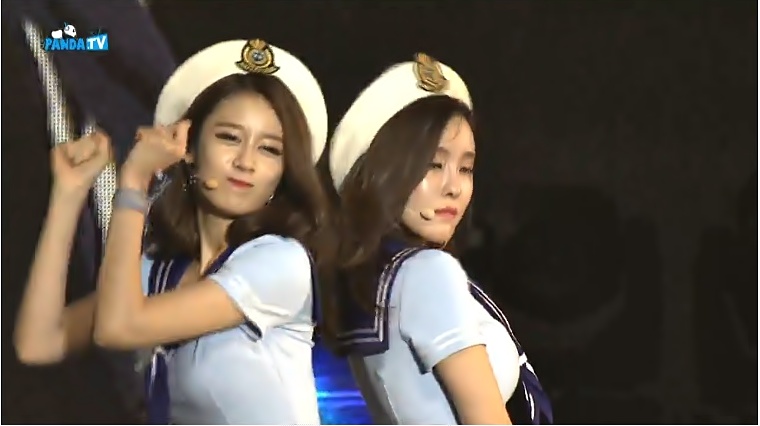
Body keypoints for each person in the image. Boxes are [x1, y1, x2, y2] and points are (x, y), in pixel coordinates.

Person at [15, 38, 333, 425]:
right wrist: (68, 193)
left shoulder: (280, 261)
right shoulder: (161, 271)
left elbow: (119, 328)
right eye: (229, 137)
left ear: (283, 173)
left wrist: (134, 182)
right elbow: (39, 343)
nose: (246, 161)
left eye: (270, 149)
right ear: (189, 148)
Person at [327, 53, 554, 424]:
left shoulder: (377, 278)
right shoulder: (426, 272)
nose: (454, 187)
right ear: (383, 172)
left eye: (466, 168)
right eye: (433, 164)